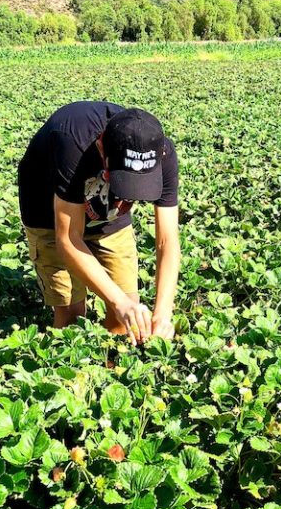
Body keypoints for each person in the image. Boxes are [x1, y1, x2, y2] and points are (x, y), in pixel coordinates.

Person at [17, 102, 180, 345]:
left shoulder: (161, 152)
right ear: (101, 146)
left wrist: (162, 313)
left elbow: (167, 241)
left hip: (109, 214)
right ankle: (69, 373)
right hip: (49, 212)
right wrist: (118, 301)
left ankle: (111, 369)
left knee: (127, 315)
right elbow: (69, 239)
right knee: (71, 315)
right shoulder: (73, 141)